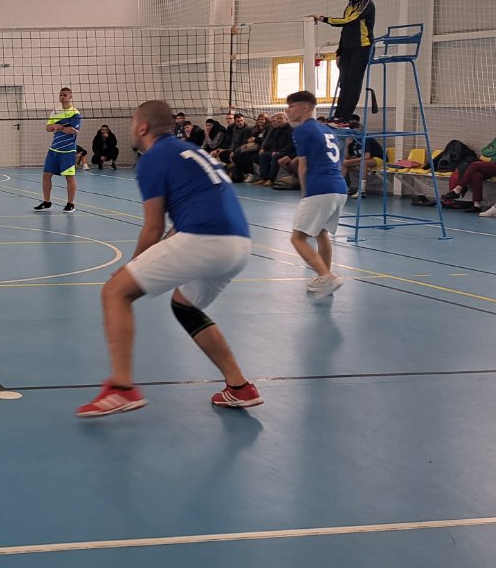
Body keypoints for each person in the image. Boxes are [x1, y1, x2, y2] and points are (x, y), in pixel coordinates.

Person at [76, 100, 262, 417]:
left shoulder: (153, 158)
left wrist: (131, 267)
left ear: (142, 127)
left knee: (115, 292)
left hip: (204, 238)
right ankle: (239, 386)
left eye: (133, 122)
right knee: (185, 306)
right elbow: (191, 208)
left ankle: (122, 388)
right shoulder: (191, 151)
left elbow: (153, 227)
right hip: (239, 244)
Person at [283, 91, 349, 298]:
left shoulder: (302, 130)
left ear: (305, 108)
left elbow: (303, 167)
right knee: (321, 232)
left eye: (291, 106)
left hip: (320, 188)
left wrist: (305, 193)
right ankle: (324, 278)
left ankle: (327, 276)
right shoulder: (327, 129)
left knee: (298, 238)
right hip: (339, 188)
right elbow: (339, 161)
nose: (287, 111)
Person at [312, 0, 376, 122]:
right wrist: (339, 51)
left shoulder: (367, 3)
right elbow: (345, 29)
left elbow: (348, 20)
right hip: (347, 49)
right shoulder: (351, 4)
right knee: (344, 82)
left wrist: (323, 18)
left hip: (362, 47)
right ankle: (338, 115)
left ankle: (346, 117)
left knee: (353, 82)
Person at [438, 118, 496, 210]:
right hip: (493, 164)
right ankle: (477, 205)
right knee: (476, 175)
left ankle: (457, 189)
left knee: (475, 164)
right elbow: (484, 151)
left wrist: (494, 154)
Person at [35, 87, 81, 213]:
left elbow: (74, 130)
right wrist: (54, 126)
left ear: (70, 97)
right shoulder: (55, 111)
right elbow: (48, 128)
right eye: (61, 95)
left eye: (65, 95)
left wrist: (59, 128)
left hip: (68, 151)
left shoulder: (75, 113)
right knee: (46, 175)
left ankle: (70, 204)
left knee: (69, 177)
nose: (62, 97)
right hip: (54, 149)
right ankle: (47, 202)